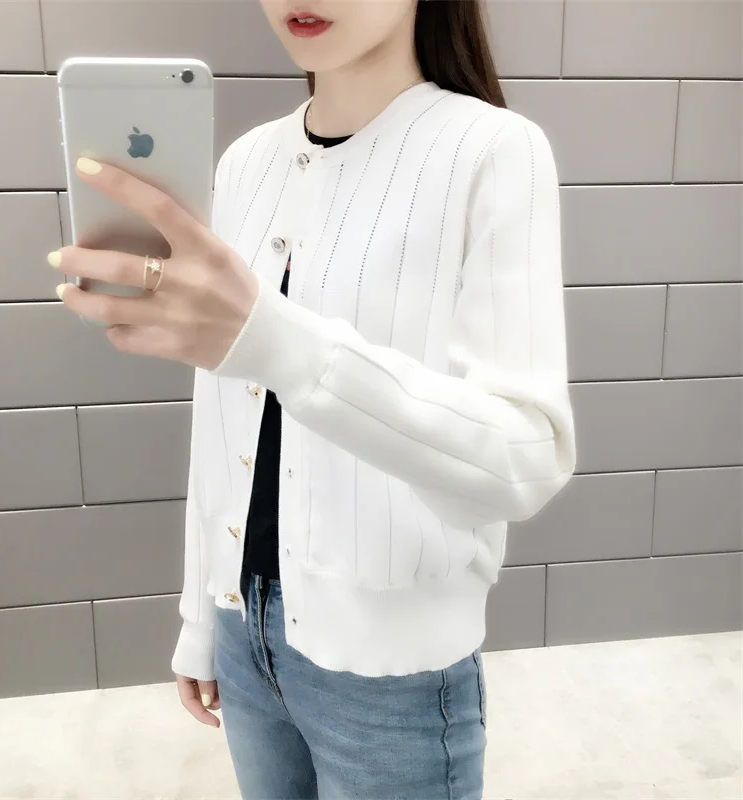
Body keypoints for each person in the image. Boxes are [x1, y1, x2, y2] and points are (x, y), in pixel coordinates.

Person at [51, 1, 576, 796]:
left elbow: (524, 458)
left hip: (392, 682)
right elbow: (219, 416)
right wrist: (202, 618)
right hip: (244, 634)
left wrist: (276, 341)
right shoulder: (246, 163)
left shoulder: (492, 150)